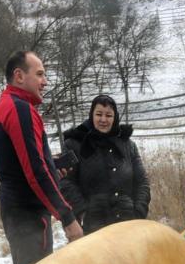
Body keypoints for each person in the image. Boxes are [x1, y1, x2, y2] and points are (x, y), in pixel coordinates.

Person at [0, 50, 83, 264]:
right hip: (27, 214)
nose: (45, 82)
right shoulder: (19, 109)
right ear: (19, 76)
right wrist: (67, 217)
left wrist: (53, 168)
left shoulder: (8, 104)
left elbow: (3, 163)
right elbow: (34, 170)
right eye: (40, 74)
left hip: (18, 211)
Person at [59, 95, 150, 234]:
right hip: (93, 224)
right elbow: (66, 182)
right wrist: (83, 213)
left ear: (115, 118)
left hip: (128, 222)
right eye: (99, 114)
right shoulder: (74, 144)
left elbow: (142, 181)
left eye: (108, 115)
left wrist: (139, 211)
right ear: (91, 115)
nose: (103, 119)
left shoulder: (128, 145)